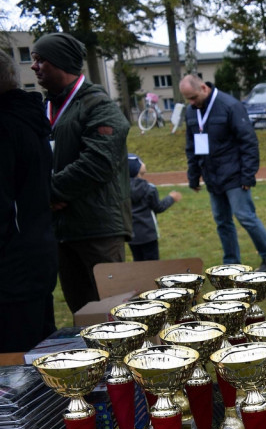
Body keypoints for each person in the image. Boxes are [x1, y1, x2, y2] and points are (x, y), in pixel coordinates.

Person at [30, 32, 131, 315]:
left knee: (113, 310)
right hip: (62, 228)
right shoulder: (45, 107)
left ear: (61, 63)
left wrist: (49, 191)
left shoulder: (99, 106)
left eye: (40, 60)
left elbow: (97, 162)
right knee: (82, 312)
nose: (33, 66)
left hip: (98, 228)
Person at [180, 74, 266, 272]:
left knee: (245, 216)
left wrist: (248, 175)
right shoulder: (191, 112)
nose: (191, 103)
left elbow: (248, 141)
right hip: (212, 175)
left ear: (204, 88)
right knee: (222, 221)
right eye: (188, 99)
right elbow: (191, 146)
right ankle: (231, 263)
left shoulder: (230, 105)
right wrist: (193, 175)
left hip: (234, 173)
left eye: (193, 97)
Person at [1, 49, 57, 352]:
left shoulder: (7, 127)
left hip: (14, 269)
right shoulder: (27, 118)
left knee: (19, 365)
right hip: (33, 257)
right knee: (38, 352)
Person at [127, 153, 182, 262]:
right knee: (153, 264)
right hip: (149, 234)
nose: (144, 163)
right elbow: (158, 207)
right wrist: (171, 198)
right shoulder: (149, 188)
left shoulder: (122, 190)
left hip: (132, 235)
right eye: (140, 161)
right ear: (136, 168)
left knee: (137, 263)